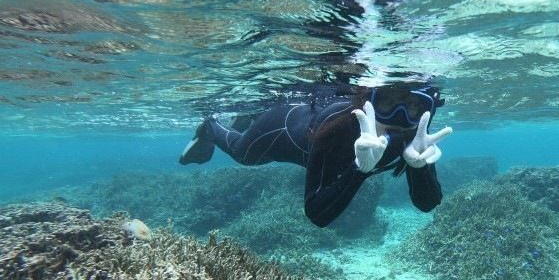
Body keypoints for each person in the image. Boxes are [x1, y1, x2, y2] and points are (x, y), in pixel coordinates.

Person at [179, 84, 453, 227]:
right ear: (367, 101)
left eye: (415, 108)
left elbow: (428, 204)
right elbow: (316, 214)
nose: (400, 118)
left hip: (307, 138)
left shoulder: (413, 138)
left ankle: (244, 118)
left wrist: (419, 167)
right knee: (244, 155)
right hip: (281, 127)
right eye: (387, 103)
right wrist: (359, 170)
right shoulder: (336, 125)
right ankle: (211, 127)